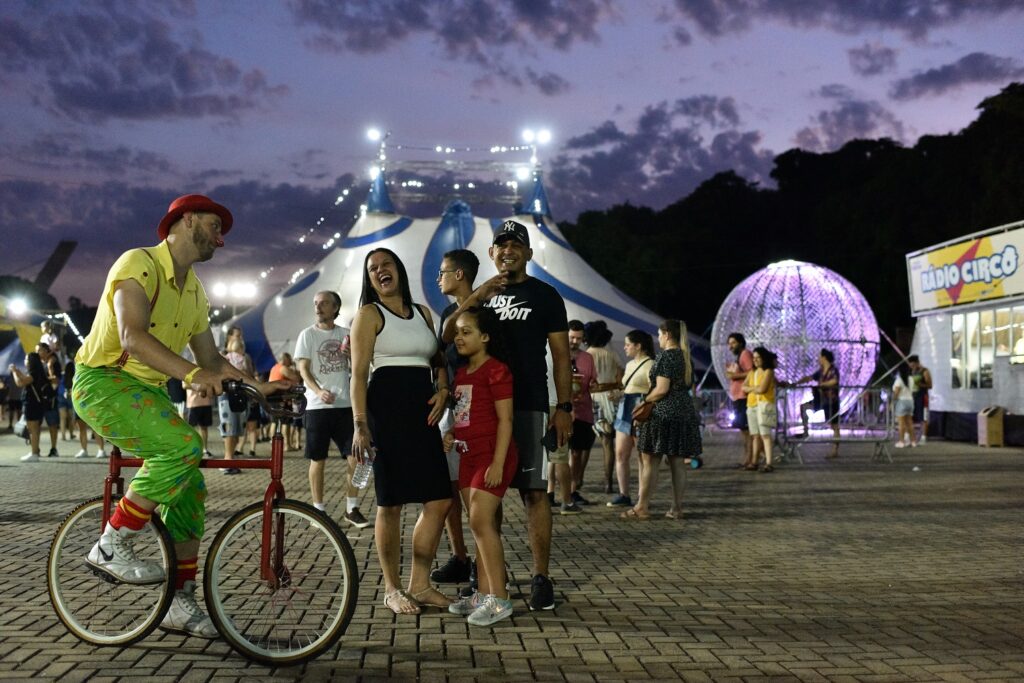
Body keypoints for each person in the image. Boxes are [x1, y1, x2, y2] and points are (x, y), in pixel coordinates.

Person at [71, 193, 286, 638]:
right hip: (102, 382)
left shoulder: (194, 291)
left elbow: (211, 359)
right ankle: (112, 544)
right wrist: (190, 374)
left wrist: (261, 388)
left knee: (190, 488)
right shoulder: (140, 264)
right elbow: (131, 336)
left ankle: (177, 601)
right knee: (185, 446)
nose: (220, 238)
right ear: (186, 221)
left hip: (146, 392)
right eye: (214, 225)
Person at [441, 219, 572, 612]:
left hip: (529, 402)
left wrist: (563, 407)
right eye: (501, 245)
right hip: (482, 408)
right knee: (484, 498)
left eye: (516, 244)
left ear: (529, 254)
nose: (508, 250)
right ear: (491, 254)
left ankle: (541, 577)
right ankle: (488, 582)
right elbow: (447, 335)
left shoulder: (545, 295)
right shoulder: (479, 298)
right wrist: (475, 295)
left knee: (534, 493)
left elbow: (562, 357)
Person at [350, 248, 453, 616]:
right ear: (370, 278)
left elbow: (439, 361)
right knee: (389, 503)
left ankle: (420, 584)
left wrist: (443, 390)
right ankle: (392, 588)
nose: (380, 272)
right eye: (373, 269)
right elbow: (359, 374)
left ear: (399, 269)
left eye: (386, 265)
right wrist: (360, 424)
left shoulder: (424, 313)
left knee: (439, 499)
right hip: (385, 413)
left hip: (423, 416)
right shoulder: (369, 314)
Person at [443, 307, 518, 626]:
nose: (459, 337)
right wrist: (450, 434)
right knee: (478, 526)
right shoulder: (462, 372)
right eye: (457, 332)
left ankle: (499, 599)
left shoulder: (497, 370)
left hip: (491, 455)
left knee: (481, 521)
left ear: (485, 337)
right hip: (467, 455)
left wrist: (499, 462)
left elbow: (506, 420)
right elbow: (464, 413)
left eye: (466, 331)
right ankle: (484, 593)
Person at [294, 290, 369, 529]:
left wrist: (351, 356)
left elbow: (362, 367)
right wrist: (317, 392)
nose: (318, 307)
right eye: (316, 303)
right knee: (318, 459)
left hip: (346, 405)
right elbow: (303, 370)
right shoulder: (307, 335)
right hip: (317, 407)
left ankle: (352, 507)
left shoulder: (347, 335)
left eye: (324, 303)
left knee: (355, 457)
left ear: (336, 308)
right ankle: (319, 510)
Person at [430, 249, 479, 585]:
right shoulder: (448, 313)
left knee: (473, 489)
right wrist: (444, 388)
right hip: (450, 405)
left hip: (476, 403)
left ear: (459, 274)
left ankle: (484, 563)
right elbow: (439, 358)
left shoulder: (485, 311)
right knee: (447, 488)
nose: (438, 278)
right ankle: (460, 556)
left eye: (443, 272)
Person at [626, 320, 702, 520]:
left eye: (659, 334)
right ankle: (677, 508)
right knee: (677, 462)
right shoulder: (686, 358)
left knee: (651, 460)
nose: (658, 338)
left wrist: (644, 402)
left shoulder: (665, 357)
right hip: (683, 412)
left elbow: (661, 389)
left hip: (663, 413)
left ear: (667, 334)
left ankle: (642, 507)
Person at [608, 329, 654, 508]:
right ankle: (623, 494)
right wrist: (619, 394)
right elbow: (628, 387)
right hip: (625, 408)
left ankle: (643, 496)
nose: (625, 347)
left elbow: (653, 389)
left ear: (638, 345)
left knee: (642, 456)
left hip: (640, 411)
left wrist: (642, 404)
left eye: (628, 344)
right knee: (620, 453)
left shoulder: (650, 364)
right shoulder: (629, 365)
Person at [584, 320, 623, 495]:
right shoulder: (612, 354)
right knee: (608, 444)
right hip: (610, 398)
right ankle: (608, 482)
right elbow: (620, 379)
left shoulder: (586, 355)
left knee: (584, 443)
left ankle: (578, 479)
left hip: (592, 399)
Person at [565, 319, 597, 509]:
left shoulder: (587, 358)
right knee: (559, 455)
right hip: (563, 411)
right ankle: (554, 491)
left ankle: (573, 489)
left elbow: (593, 381)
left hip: (583, 411)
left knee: (577, 453)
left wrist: (593, 385)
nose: (574, 341)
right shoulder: (558, 355)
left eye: (578, 338)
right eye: (571, 337)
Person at [794, 348, 841, 458]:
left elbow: (835, 381)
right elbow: (809, 378)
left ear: (824, 357)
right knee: (804, 407)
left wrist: (822, 385)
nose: (818, 359)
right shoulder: (820, 371)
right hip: (820, 399)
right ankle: (805, 431)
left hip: (831, 401)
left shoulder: (833, 370)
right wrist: (797, 383)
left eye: (819, 357)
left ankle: (835, 450)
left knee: (834, 426)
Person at [12, 353, 57, 462]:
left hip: (32, 403)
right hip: (37, 403)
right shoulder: (38, 372)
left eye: (26, 359)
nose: (25, 361)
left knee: (33, 430)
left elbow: (20, 382)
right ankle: (35, 451)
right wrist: (18, 372)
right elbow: (23, 379)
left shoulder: (34, 372)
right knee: (35, 429)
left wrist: (14, 372)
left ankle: (34, 453)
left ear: (31, 361)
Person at [216, 338, 249, 474]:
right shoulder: (240, 359)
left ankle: (229, 459)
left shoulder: (224, 358)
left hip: (226, 397)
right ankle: (228, 460)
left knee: (230, 428)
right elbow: (246, 375)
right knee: (233, 429)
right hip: (235, 396)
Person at [743, 347, 778, 472]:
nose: (755, 360)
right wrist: (754, 388)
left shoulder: (768, 371)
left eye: (758, 357)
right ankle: (754, 462)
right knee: (755, 435)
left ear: (764, 358)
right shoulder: (752, 372)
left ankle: (769, 463)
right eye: (754, 358)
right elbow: (744, 387)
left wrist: (751, 388)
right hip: (752, 406)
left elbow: (762, 389)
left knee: (765, 435)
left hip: (764, 405)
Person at [725, 332, 754, 468]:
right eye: (729, 344)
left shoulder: (745, 354)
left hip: (744, 397)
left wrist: (735, 376)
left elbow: (751, 372)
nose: (730, 347)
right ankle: (748, 458)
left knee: (746, 431)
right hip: (739, 397)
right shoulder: (740, 356)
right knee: (743, 431)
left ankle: (750, 459)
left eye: (733, 343)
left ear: (741, 343)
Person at [269, 352, 302, 451]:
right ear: (285, 359)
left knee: (274, 421)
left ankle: (273, 444)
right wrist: (294, 367)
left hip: (273, 397)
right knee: (285, 422)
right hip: (282, 398)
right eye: (289, 359)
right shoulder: (283, 368)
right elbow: (297, 378)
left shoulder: (274, 367)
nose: (290, 361)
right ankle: (287, 445)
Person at [35, 341, 61, 456]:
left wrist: (50, 370)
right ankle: (36, 449)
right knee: (36, 425)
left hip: (50, 398)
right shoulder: (38, 364)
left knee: (52, 424)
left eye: (39, 350)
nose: (37, 353)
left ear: (47, 351)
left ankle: (53, 449)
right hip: (39, 399)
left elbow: (56, 381)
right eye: (36, 351)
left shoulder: (53, 363)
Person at [908, 355, 932, 445]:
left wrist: (919, 384)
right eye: (910, 365)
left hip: (923, 396)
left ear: (917, 363)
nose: (912, 367)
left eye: (913, 365)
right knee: (910, 417)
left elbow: (930, 385)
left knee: (924, 417)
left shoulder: (924, 371)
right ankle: (911, 436)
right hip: (912, 397)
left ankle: (924, 437)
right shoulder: (911, 372)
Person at [185, 382, 214, 457]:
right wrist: (200, 386)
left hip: (206, 403)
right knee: (191, 429)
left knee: (204, 428)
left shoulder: (206, 371)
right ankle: (191, 449)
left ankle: (205, 450)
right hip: (193, 403)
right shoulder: (188, 371)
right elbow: (184, 385)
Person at [892, 363, 915, 448]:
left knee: (901, 424)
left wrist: (893, 400)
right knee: (910, 423)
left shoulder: (899, 380)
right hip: (910, 401)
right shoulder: (911, 379)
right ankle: (913, 441)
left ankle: (901, 442)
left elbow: (896, 393)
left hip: (901, 402)